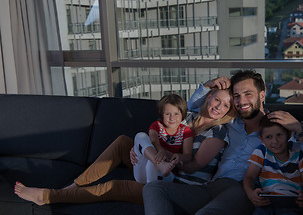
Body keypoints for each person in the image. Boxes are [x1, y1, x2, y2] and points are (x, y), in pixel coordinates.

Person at [143, 69, 303, 215]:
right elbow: (191, 112)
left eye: (248, 94)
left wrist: (300, 129)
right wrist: (207, 87)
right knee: (153, 189)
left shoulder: (279, 130)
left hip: (243, 191)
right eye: (237, 96)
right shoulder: (229, 122)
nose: (241, 101)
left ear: (262, 95)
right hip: (210, 187)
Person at [14, 88, 236, 207]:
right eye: (217, 100)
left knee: (114, 187)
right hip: (156, 168)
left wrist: (166, 158)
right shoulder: (188, 116)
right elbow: (156, 134)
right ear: (209, 98)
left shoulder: (219, 132)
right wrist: (142, 150)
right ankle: (72, 186)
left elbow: (194, 165)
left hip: (174, 186)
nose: (219, 107)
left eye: (226, 105)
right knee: (124, 142)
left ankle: (48, 197)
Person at [243, 114, 303, 215]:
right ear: (262, 140)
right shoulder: (262, 152)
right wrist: (250, 193)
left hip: (292, 205)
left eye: (279, 135)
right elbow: (249, 177)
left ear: (288, 135)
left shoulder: (299, 155)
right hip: (266, 203)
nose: (275, 141)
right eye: (269, 137)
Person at [133, 93, 193, 184]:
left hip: (167, 175)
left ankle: (151, 190)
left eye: (176, 114)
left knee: (152, 163)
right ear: (162, 114)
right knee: (140, 135)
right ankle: (160, 165)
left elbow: (188, 155)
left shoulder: (186, 131)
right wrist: (160, 150)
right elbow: (153, 140)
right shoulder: (157, 125)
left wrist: (180, 157)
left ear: (183, 114)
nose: (172, 118)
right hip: (141, 172)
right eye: (167, 114)